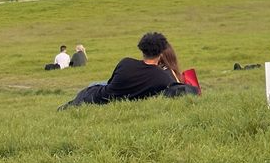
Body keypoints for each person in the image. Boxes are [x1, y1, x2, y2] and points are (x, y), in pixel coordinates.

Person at [59, 32, 193, 109]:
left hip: (98, 96)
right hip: (115, 96)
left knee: (94, 84)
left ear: (142, 49)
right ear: (161, 53)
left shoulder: (126, 63)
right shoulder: (162, 78)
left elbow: (110, 84)